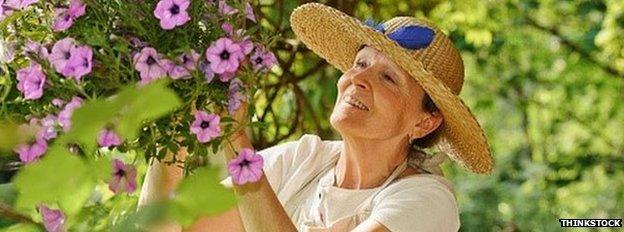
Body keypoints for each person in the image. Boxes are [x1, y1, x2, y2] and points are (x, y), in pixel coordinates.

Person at [138, 3, 494, 232]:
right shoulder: (303, 159)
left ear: (424, 122)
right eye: (360, 63)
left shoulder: (426, 200)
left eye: (388, 78)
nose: (358, 79)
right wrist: (174, 122)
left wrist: (238, 143)